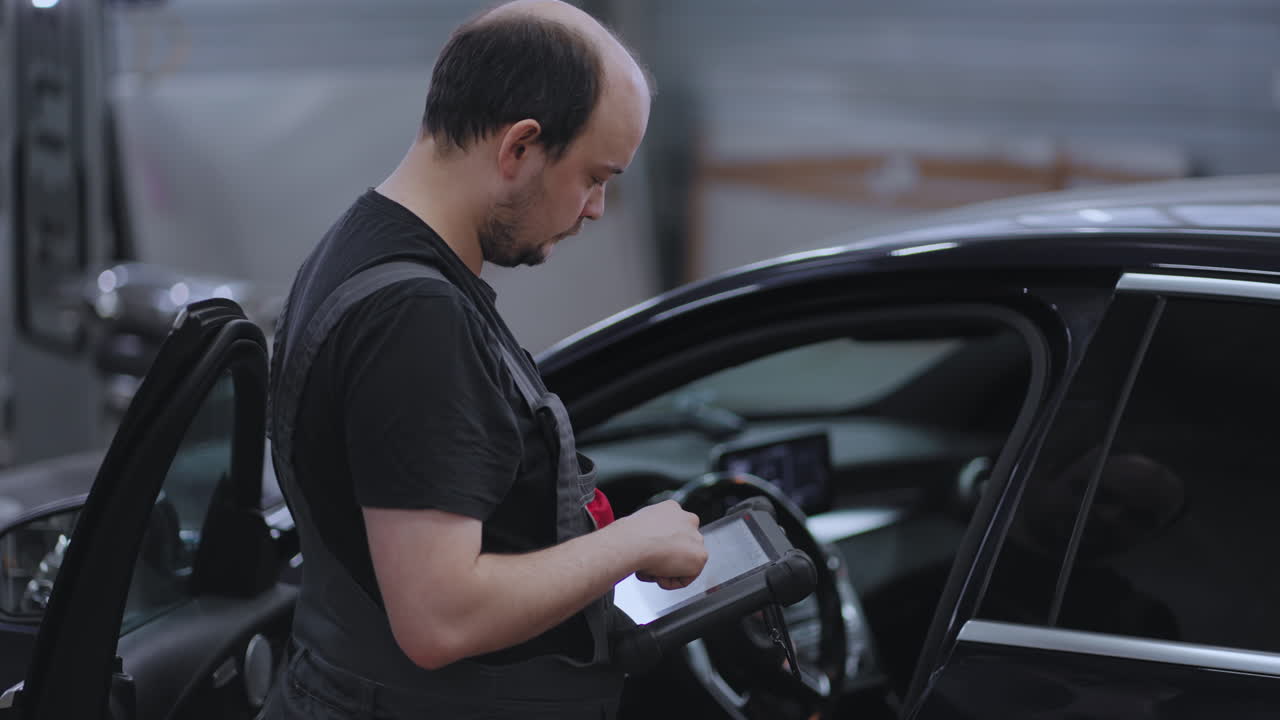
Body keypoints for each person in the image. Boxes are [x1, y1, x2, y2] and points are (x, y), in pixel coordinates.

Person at [261, 2, 708, 718]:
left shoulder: (357, 248)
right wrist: (632, 542)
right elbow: (442, 620)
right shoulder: (414, 318)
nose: (595, 208)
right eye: (595, 176)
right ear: (520, 148)